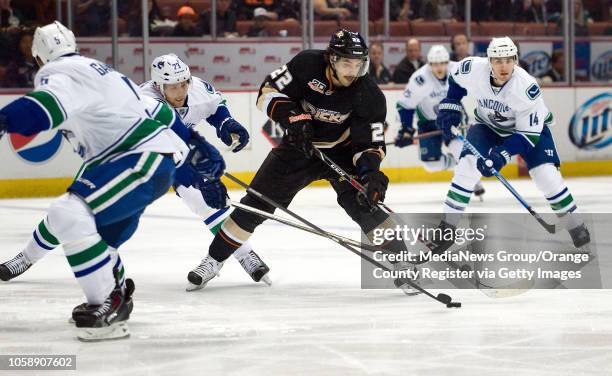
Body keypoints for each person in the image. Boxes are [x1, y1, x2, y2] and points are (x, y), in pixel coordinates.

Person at [0, 21, 227, 341]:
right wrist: (194, 144)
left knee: (69, 213)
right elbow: (158, 112)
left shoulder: (57, 72)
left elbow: (47, 107)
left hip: (137, 157)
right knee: (93, 233)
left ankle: (108, 302)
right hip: (142, 159)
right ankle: (114, 291)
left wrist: (6, 119)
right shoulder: (103, 71)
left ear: (39, 57)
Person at [186, 30, 414, 293]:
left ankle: (405, 264)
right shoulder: (307, 64)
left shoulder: (369, 94)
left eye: (358, 64)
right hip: (298, 148)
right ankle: (213, 260)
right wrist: (293, 119)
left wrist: (370, 175)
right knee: (254, 205)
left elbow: (369, 144)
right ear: (331, 59)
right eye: (346, 63)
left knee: (368, 207)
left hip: (341, 152)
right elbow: (267, 92)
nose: (353, 71)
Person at [435, 36, 590, 252]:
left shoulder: (526, 87)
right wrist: (450, 103)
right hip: (487, 126)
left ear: (515, 59)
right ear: (489, 61)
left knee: (546, 175)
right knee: (467, 166)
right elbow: (455, 78)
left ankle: (576, 226)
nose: (504, 66)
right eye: (498, 61)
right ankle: (447, 227)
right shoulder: (474, 68)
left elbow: (527, 137)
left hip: (527, 132)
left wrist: (501, 155)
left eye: (509, 59)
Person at [139, 53, 271, 289]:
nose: (181, 92)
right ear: (159, 87)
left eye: (183, 84)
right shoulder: (145, 101)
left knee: (203, 200)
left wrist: (226, 124)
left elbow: (216, 108)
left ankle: (242, 255)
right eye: (173, 87)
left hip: (179, 152)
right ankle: (244, 254)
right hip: (144, 157)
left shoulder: (198, 89)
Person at [394, 45, 484, 197]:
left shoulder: (457, 69)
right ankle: (457, 163)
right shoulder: (419, 79)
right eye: (435, 64)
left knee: (458, 148)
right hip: (428, 122)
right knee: (431, 165)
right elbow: (405, 105)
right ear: (429, 64)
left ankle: (474, 181)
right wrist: (406, 129)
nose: (439, 67)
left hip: (453, 117)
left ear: (447, 62)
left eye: (442, 63)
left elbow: (479, 81)